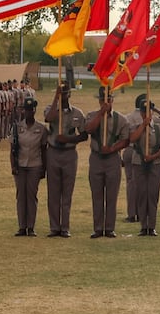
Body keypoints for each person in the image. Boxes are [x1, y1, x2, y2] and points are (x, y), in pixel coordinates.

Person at [82, 87, 130, 239]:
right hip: (96, 158)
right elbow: (89, 129)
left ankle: (109, 228)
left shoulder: (121, 119)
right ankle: (97, 228)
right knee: (97, 195)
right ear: (99, 100)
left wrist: (111, 148)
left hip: (112, 159)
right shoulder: (91, 115)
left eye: (108, 99)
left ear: (112, 100)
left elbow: (125, 140)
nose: (106, 102)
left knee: (111, 195)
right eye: (103, 99)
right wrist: (101, 112)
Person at [43, 82, 89, 238]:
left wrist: (68, 138)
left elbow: (84, 135)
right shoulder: (51, 108)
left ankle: (65, 227)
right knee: (53, 192)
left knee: (67, 193)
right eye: (60, 93)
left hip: (69, 154)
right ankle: (54, 227)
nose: (63, 96)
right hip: (53, 153)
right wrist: (56, 98)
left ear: (70, 94)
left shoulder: (77, 113)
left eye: (65, 93)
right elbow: (49, 118)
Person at [126, 94, 160, 237]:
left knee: (153, 194)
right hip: (138, 163)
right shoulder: (136, 126)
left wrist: (153, 156)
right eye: (143, 112)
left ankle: (152, 226)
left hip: (155, 164)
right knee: (141, 194)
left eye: (148, 111)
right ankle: (143, 226)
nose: (146, 114)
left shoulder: (159, 128)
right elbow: (132, 139)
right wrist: (143, 125)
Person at [10, 98, 47, 236]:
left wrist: (44, 168)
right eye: (26, 110)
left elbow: (44, 149)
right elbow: (12, 149)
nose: (29, 112)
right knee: (21, 196)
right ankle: (22, 227)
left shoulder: (41, 128)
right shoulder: (17, 128)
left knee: (31, 196)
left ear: (34, 111)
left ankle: (31, 227)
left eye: (31, 110)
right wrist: (13, 166)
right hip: (20, 165)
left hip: (35, 166)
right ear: (23, 111)